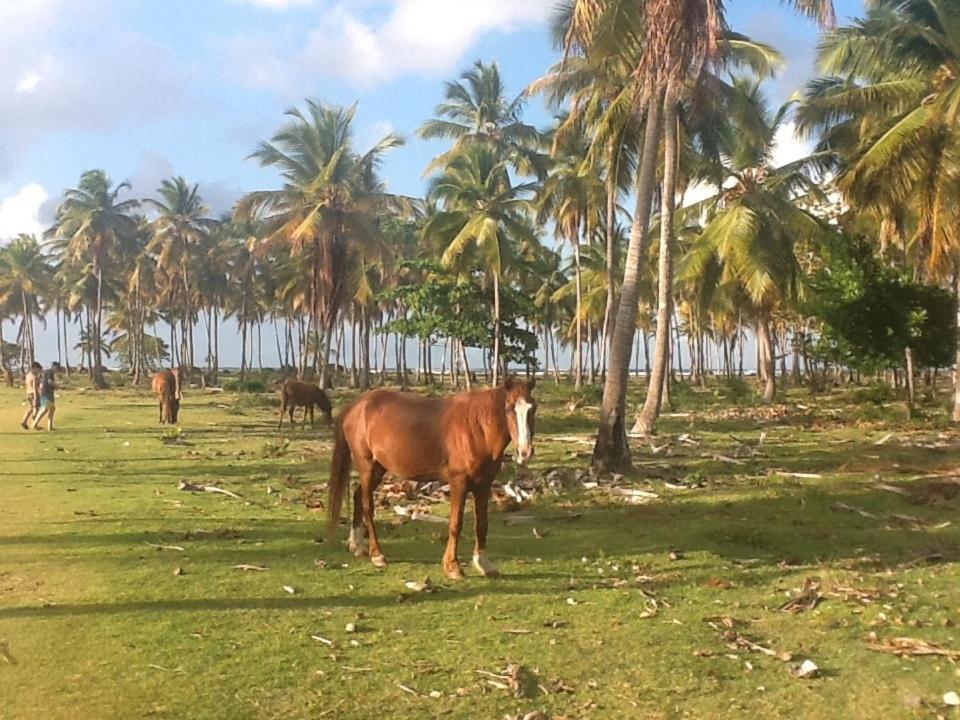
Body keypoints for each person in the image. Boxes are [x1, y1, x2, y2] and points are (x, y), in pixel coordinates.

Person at [32, 362, 60, 431]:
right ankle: (34, 424)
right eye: (57, 368)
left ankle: (50, 426)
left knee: (52, 409)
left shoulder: (48, 372)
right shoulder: (49, 372)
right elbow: (49, 381)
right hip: (45, 394)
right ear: (54, 367)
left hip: (49, 394)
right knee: (44, 409)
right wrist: (57, 385)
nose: (57, 370)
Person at [20, 361, 42, 430]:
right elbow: (35, 388)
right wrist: (36, 397)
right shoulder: (34, 376)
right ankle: (35, 424)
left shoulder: (28, 375)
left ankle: (24, 421)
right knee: (36, 409)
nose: (39, 371)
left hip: (28, 393)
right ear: (34, 368)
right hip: (33, 394)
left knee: (31, 408)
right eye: (38, 370)